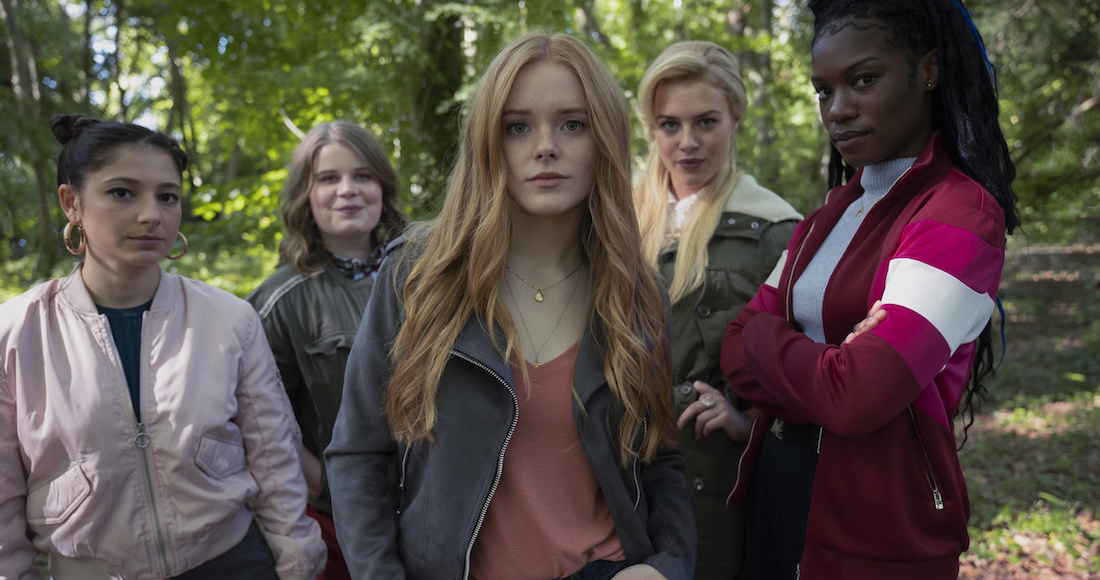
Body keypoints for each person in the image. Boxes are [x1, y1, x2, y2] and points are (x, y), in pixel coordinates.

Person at [324, 31, 696, 580]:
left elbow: (659, 458)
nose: (545, 147)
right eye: (517, 127)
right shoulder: (417, 276)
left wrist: (668, 566)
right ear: (488, 143)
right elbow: (358, 455)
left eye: (573, 124)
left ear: (604, 139)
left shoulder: (638, 293)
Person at [719, 0, 1020, 578]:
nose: (837, 109)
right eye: (823, 90)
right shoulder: (826, 217)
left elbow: (858, 397)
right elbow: (733, 349)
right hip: (775, 488)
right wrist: (824, 363)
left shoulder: (961, 215)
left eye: (863, 80)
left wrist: (765, 337)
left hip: (874, 522)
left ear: (928, 70)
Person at [0, 115, 327, 580]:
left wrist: (297, 560)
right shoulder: (16, 334)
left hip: (231, 563)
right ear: (72, 203)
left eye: (167, 196)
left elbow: (276, 458)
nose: (152, 214)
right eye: (123, 192)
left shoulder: (229, 319)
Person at [633, 41, 802, 580]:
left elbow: (806, 369)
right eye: (670, 125)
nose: (687, 142)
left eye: (705, 122)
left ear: (735, 118)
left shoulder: (774, 231)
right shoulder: (613, 218)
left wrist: (748, 422)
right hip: (615, 473)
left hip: (711, 481)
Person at [247, 120, 407, 580]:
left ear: (382, 187)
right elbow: (261, 422)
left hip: (443, 510)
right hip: (340, 523)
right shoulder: (279, 300)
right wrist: (326, 482)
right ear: (306, 194)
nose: (347, 190)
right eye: (329, 178)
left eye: (362, 175)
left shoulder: (431, 273)